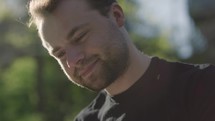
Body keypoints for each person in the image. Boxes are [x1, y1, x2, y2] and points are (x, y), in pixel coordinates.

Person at [28, 0, 215, 120]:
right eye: (60, 54)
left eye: (79, 37)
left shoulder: (203, 87)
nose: (73, 60)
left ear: (117, 16)